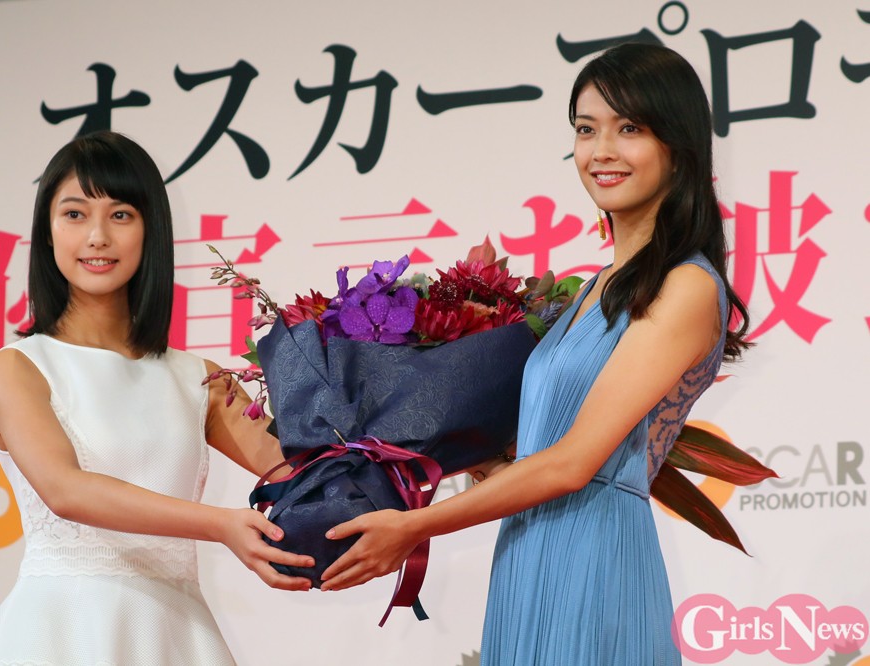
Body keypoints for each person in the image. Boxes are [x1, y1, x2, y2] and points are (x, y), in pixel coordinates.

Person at [319, 42, 752, 665]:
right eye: (586, 129)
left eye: (629, 128)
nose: (601, 150)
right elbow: (542, 461)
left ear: (677, 147)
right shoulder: (594, 289)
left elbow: (573, 465)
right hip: (527, 550)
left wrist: (412, 527)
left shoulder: (686, 286)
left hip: (595, 558)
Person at [0, 131, 313, 666]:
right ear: (47, 232)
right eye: (75, 214)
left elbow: (304, 469)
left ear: (151, 229)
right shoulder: (17, 368)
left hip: (174, 635)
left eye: (121, 215)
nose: (97, 236)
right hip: (58, 633)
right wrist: (220, 525)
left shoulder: (200, 378)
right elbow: (65, 490)